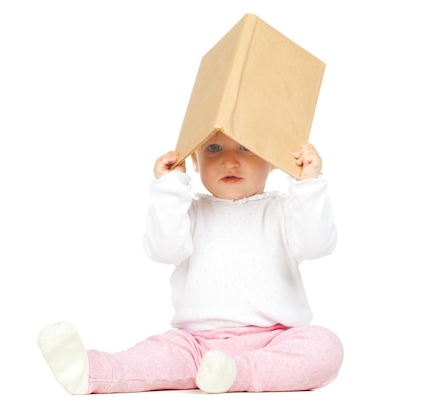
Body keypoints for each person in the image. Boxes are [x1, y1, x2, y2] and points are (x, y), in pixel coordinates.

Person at [37, 132, 343, 394]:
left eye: (246, 147)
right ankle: (90, 371)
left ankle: (235, 373)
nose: (230, 160)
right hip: (195, 345)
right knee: (151, 356)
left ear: (273, 158)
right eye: (213, 149)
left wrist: (308, 186)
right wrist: (170, 188)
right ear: (195, 161)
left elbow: (318, 244)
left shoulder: (285, 211)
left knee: (324, 347)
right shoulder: (189, 212)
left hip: (274, 341)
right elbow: (163, 249)